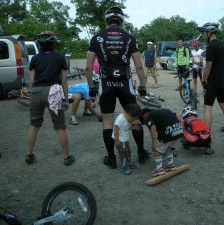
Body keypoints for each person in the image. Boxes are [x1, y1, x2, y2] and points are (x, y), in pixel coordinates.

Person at [85, 7, 149, 169]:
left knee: (107, 122)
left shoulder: (96, 37)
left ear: (107, 21)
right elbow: (139, 66)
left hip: (106, 83)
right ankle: (141, 152)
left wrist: (91, 87)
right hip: (124, 82)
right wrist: (142, 86)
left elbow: (88, 67)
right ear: (121, 21)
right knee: (134, 118)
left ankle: (112, 158)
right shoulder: (129, 38)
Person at [26, 31, 75, 166]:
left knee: (34, 124)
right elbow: (64, 81)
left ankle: (29, 155)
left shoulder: (34, 59)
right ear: (54, 44)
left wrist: (33, 94)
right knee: (59, 125)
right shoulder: (60, 58)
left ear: (40, 45)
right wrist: (65, 99)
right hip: (53, 91)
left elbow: (31, 81)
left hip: (36, 91)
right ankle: (66, 157)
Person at [197, 22, 224, 133]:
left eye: (203, 32)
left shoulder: (211, 46)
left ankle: (206, 138)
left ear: (209, 32)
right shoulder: (221, 45)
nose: (202, 35)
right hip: (223, 80)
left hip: (214, 81)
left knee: (207, 108)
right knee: (223, 104)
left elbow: (208, 66)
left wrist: (203, 80)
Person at [140, 108, 183, 177]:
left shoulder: (149, 117)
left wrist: (154, 143)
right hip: (178, 130)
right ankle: (170, 165)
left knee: (157, 149)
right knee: (169, 146)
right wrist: (178, 125)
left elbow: (153, 127)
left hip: (168, 131)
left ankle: (159, 169)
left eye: (144, 120)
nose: (145, 121)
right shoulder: (162, 111)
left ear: (143, 116)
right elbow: (178, 114)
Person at [112, 103, 141, 175]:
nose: (133, 120)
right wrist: (116, 140)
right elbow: (116, 129)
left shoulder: (127, 118)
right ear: (130, 114)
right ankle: (124, 167)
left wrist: (133, 128)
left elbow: (125, 127)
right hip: (121, 140)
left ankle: (129, 163)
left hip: (125, 139)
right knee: (123, 154)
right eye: (133, 119)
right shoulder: (120, 119)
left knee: (128, 152)